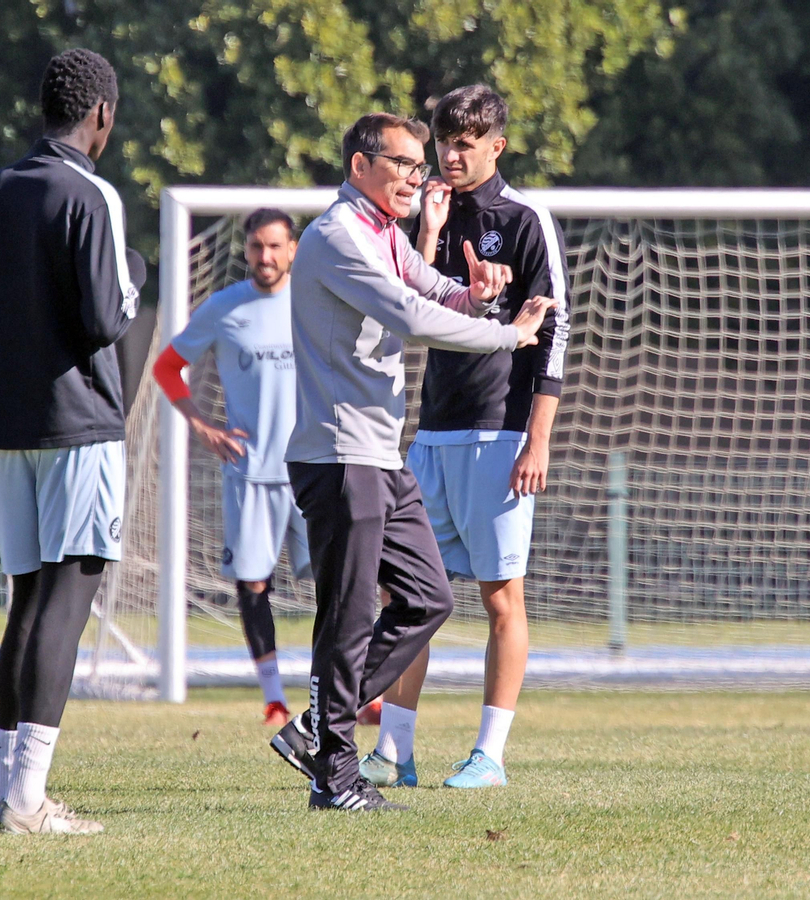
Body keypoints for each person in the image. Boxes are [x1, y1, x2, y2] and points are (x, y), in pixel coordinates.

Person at [269, 111, 557, 812]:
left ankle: (317, 727)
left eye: (416, 166)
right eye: (400, 163)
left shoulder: (382, 232)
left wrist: (477, 296)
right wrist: (505, 335)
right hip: (340, 456)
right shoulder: (337, 235)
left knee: (428, 597)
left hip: (379, 456)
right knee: (346, 617)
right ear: (360, 166)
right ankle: (335, 778)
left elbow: (433, 289)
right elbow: (410, 315)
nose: (413, 177)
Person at [0, 48, 146, 836]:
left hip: (8, 423)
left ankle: (7, 792)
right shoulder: (91, 193)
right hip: (77, 423)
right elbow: (106, 316)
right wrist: (136, 272)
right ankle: (27, 803)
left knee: (27, 600)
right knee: (69, 596)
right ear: (102, 114)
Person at [359, 85, 570, 791]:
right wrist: (427, 233)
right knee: (407, 596)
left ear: (495, 146)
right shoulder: (428, 213)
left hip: (500, 435)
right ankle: (395, 752)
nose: (450, 154)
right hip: (432, 434)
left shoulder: (524, 219)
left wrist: (537, 440)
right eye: (444, 141)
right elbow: (404, 305)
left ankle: (490, 755)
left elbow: (554, 333)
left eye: (464, 143)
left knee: (500, 597)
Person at [152, 208, 310, 727]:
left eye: (275, 246)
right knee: (253, 584)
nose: (265, 256)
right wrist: (201, 426)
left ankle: (352, 692)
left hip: (314, 469)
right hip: (250, 472)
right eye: (256, 246)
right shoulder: (224, 307)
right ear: (246, 249)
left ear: (292, 249)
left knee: (341, 582)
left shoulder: (315, 301)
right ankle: (274, 699)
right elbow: (167, 367)